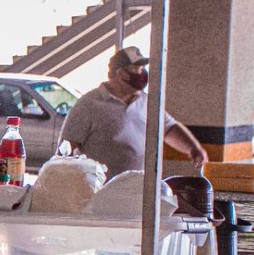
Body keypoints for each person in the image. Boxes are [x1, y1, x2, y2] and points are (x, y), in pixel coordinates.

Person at [60, 45, 207, 179]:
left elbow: (168, 128)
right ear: (121, 73)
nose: (143, 73)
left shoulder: (147, 102)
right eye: (137, 68)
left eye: (143, 69)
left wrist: (193, 148)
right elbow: (66, 150)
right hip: (99, 195)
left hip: (137, 191)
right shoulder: (88, 105)